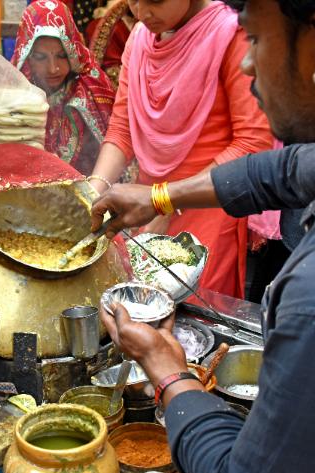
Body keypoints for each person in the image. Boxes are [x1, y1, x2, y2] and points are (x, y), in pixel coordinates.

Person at [92, 0, 315, 473]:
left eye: (258, 40)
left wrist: (170, 375)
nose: (247, 61)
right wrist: (158, 197)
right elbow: (279, 171)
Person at [88, 0, 274, 298]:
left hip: (209, 204)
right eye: (132, 0)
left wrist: (166, 201)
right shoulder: (139, 39)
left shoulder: (231, 33)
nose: (140, 12)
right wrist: (91, 194)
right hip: (143, 209)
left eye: (154, 1)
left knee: (196, 322)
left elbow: (252, 143)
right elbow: (122, 127)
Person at [11, 0, 115, 175]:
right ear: (26, 56)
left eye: (62, 56)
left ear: (73, 51)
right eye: (40, 57)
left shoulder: (92, 89)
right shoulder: (13, 96)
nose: (53, 68)